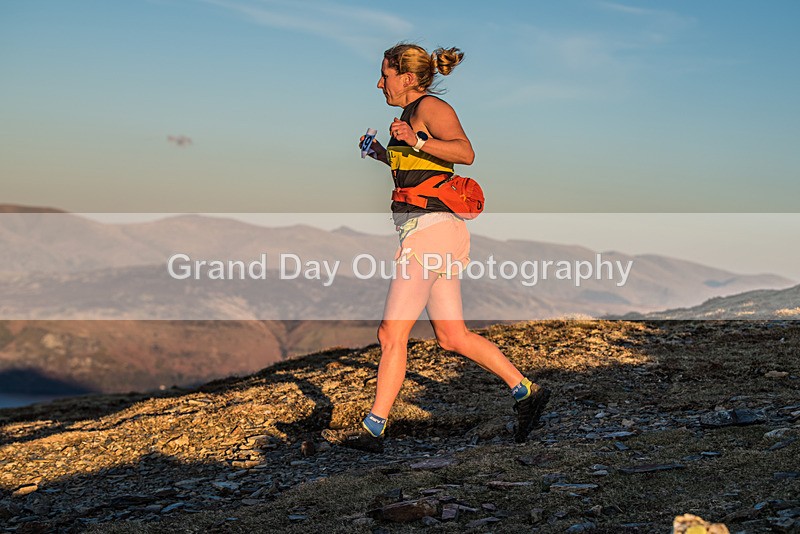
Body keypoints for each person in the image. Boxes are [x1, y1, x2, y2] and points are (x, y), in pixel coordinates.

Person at [322, 43, 550, 452]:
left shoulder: (429, 108)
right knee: (452, 336)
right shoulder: (409, 117)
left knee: (391, 332)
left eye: (385, 75)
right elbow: (417, 165)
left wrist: (417, 139)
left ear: (407, 78)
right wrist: (381, 153)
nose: (379, 83)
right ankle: (526, 391)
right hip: (435, 231)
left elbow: (465, 152)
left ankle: (374, 429)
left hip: (430, 231)